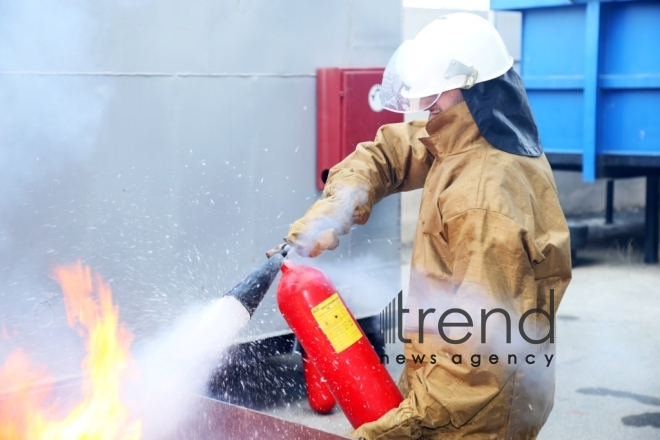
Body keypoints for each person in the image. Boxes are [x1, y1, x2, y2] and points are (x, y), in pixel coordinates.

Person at [285, 13, 572, 439]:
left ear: (473, 85)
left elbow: (478, 366)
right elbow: (391, 151)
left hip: (478, 417)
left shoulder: (484, 200)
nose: (424, 105)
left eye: (434, 93)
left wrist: (397, 429)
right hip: (451, 385)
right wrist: (338, 207)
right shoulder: (476, 129)